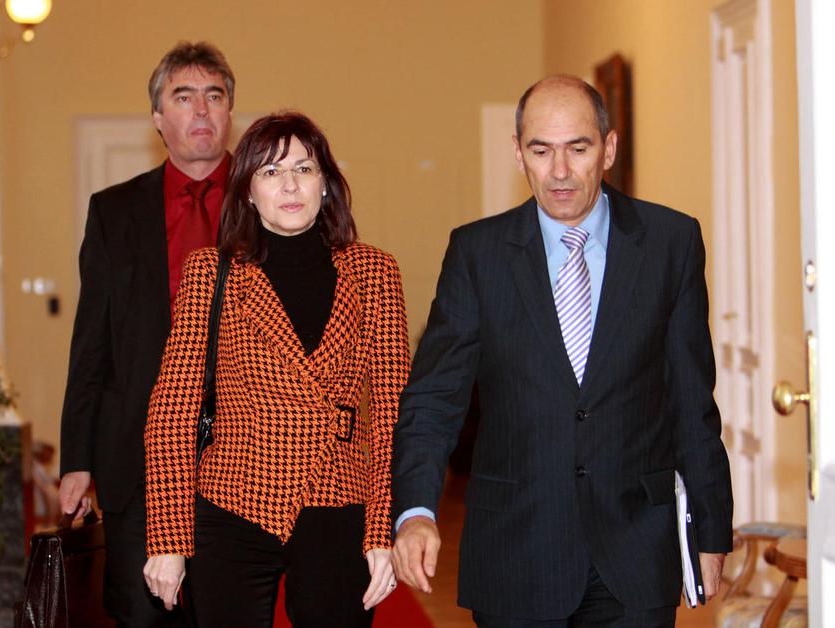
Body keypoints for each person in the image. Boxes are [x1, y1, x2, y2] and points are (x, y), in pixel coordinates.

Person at [391, 75, 734, 627]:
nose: (559, 172)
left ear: (608, 148)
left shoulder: (670, 242)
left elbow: (692, 400)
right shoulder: (478, 253)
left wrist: (711, 531)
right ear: (518, 153)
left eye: (578, 148)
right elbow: (434, 399)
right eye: (540, 150)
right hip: (516, 549)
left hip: (636, 549)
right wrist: (415, 510)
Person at [141, 111, 411, 627]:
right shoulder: (211, 272)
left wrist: (382, 529)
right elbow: (173, 409)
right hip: (234, 500)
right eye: (270, 172)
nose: (289, 185)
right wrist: (168, 539)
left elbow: (392, 414)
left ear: (325, 184)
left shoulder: (374, 272)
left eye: (304, 169)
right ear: (247, 190)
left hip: (337, 498)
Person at [58, 41, 235, 626]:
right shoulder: (113, 212)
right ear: (158, 117)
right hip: (137, 461)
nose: (201, 110)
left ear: (230, 111)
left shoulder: (272, 201)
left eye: (213, 95)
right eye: (183, 97)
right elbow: (92, 342)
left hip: (244, 460)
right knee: (142, 614)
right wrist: (77, 458)